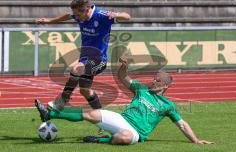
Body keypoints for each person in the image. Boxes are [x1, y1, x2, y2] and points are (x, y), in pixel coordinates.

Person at [35, 56, 214, 145]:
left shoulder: (168, 105)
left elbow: (182, 124)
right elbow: (123, 78)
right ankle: (49, 113)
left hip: (137, 133)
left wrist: (196, 140)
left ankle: (99, 141)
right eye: (154, 78)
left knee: (124, 137)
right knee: (90, 113)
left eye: (157, 81)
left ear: (165, 86)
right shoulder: (141, 89)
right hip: (122, 119)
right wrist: (124, 67)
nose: (153, 81)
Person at [36, 0, 131, 111]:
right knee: (85, 90)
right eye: (75, 14)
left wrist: (117, 15)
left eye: (78, 15)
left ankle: (62, 100)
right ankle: (101, 117)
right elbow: (67, 16)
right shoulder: (79, 15)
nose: (76, 17)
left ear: (87, 10)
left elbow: (127, 16)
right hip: (85, 59)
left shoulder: (101, 16)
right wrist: (49, 21)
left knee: (76, 69)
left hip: (99, 60)